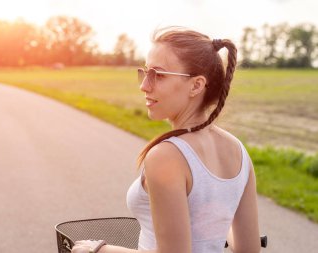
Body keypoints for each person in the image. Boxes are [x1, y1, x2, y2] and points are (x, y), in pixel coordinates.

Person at [72, 26, 261, 253]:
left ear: (196, 85)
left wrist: (99, 250)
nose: (144, 86)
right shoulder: (238, 151)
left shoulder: (166, 156)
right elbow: (249, 249)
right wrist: (217, 228)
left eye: (158, 75)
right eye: (145, 73)